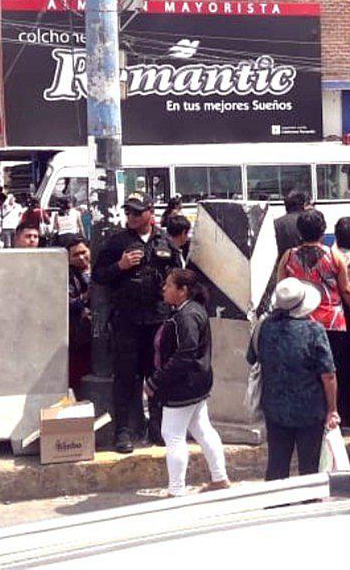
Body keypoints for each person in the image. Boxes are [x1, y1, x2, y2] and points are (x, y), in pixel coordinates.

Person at [92, 193, 178, 453]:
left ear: (150, 212)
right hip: (127, 321)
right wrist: (120, 266)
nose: (131, 217)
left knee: (157, 376)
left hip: (157, 320)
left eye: (137, 213)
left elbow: (178, 273)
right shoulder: (117, 242)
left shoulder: (164, 241)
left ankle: (157, 428)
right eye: (128, 212)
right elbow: (98, 275)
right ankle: (123, 431)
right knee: (126, 378)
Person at [276, 209, 350, 428]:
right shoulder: (334, 257)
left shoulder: (288, 256)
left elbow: (281, 287)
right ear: (323, 231)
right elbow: (347, 290)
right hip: (333, 323)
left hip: (300, 321)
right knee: (333, 371)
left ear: (300, 232)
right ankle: (334, 416)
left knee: (306, 372)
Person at [148, 268, 230, 496]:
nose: (164, 289)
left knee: (172, 435)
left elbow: (185, 354)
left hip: (183, 386)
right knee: (202, 429)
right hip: (197, 383)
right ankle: (219, 477)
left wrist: (156, 381)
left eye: (169, 285)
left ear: (182, 290)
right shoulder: (193, 310)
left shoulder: (186, 317)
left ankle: (176, 489)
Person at [247, 278, 339, 479]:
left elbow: (251, 358)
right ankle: (308, 496)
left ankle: (276, 497)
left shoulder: (264, 327)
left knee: (277, 464)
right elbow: (328, 375)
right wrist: (332, 410)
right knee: (309, 467)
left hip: (274, 407)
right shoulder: (314, 331)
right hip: (310, 409)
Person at [56, 233, 94, 389]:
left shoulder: (99, 269)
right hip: (77, 335)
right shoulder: (66, 275)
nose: (81, 258)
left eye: (83, 252)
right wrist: (86, 297)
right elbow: (66, 302)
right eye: (76, 255)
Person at [273, 190, 311, 257]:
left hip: (284, 260)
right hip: (305, 260)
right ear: (303, 204)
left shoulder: (276, 223)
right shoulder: (308, 221)